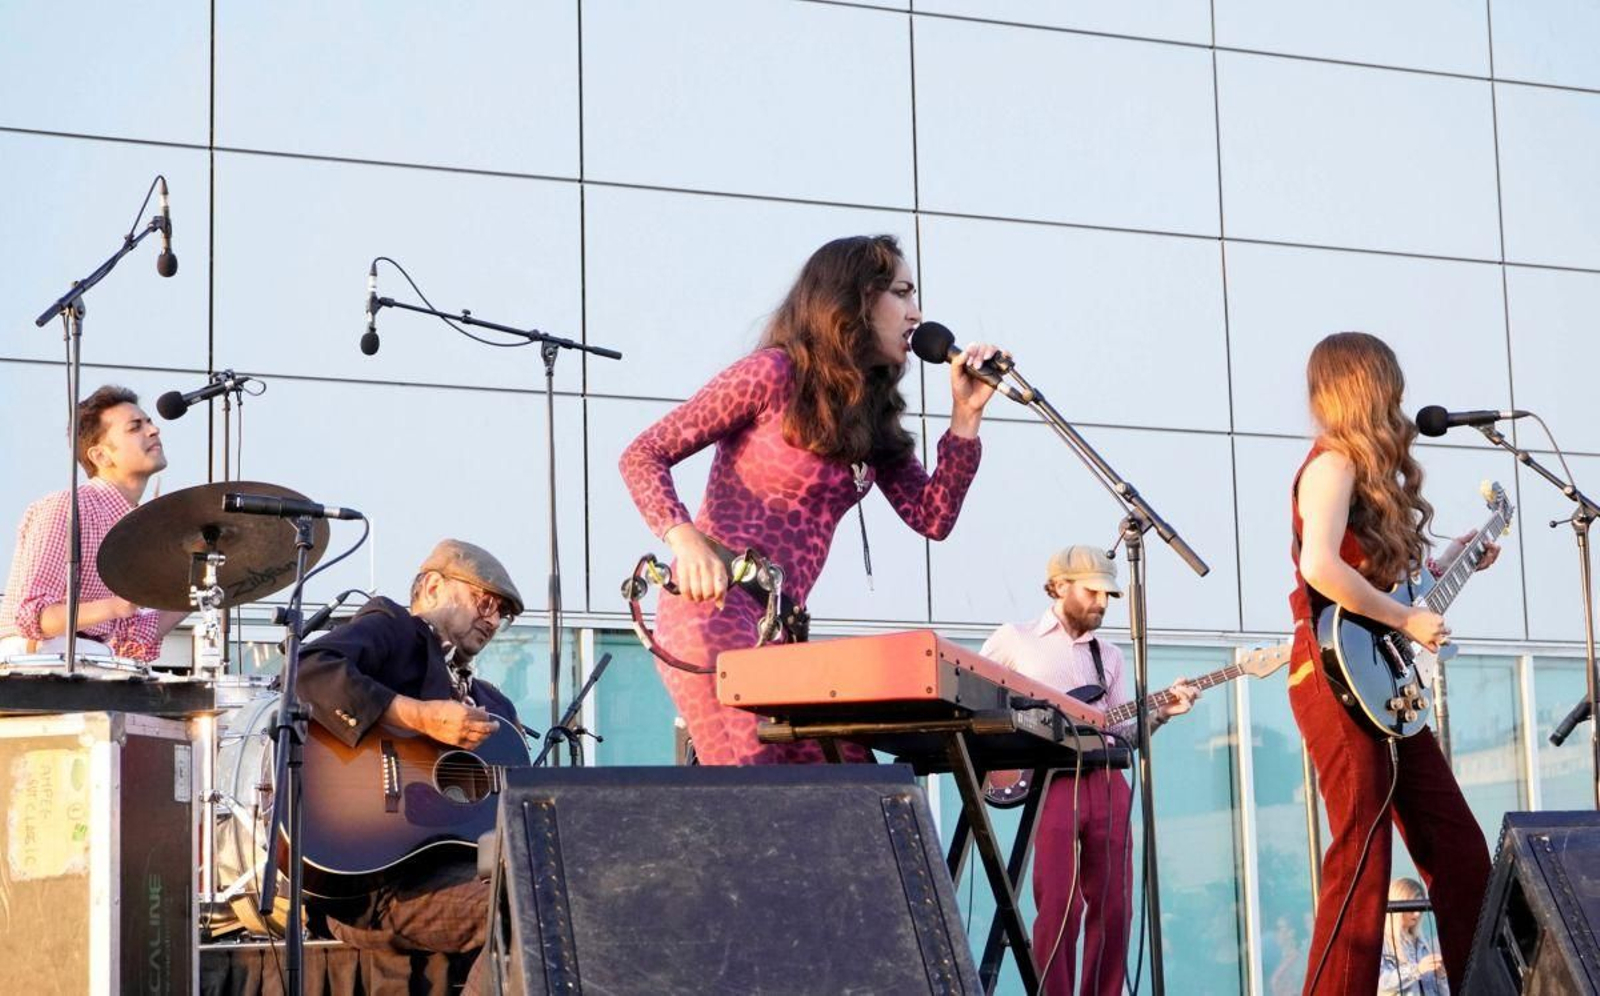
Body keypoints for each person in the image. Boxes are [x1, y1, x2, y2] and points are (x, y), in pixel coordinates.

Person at [619, 234, 1001, 766]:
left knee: (856, 782)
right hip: (714, 611)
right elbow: (643, 453)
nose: (917, 313)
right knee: (765, 796)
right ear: (855, 300)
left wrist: (966, 417)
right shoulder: (772, 374)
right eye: (902, 292)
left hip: (781, 633)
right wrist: (684, 540)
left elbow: (932, 516)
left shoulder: (869, 412)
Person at [1288, 332, 1496, 995]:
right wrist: (1408, 619)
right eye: (1391, 387)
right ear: (1367, 388)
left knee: (1460, 852)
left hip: (1380, 680)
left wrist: (1444, 566)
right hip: (1333, 678)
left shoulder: (1362, 472)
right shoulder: (1331, 465)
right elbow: (1318, 566)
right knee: (1361, 860)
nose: (1400, 402)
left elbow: (1374, 585)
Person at [294, 538, 526, 992]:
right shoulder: (395, 628)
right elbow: (307, 671)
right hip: (372, 883)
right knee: (524, 903)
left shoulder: (495, 710)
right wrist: (417, 715)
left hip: (452, 877)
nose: (494, 619)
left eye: (504, 613)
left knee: (546, 893)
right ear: (433, 587)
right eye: (485, 600)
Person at [980, 544, 1199, 996]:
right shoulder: (1014, 639)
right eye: (1093, 592)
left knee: (1116, 905)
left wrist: (1161, 713)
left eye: (1108, 595)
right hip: (1053, 780)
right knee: (1060, 904)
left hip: (1106, 778)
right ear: (1059, 586)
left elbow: (1125, 732)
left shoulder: (1111, 655)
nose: (1102, 603)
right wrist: (1003, 755)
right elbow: (980, 704)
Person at [0, 385, 188, 661]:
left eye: (149, 422)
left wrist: (202, 585)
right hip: (36, 668)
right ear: (100, 455)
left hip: (94, 661)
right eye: (135, 427)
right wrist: (114, 606)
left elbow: (131, 641)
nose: (153, 430)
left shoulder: (134, 525)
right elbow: (32, 616)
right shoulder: (67, 507)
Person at [1379, 878, 1448, 995]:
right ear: (1397, 906)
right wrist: (1417, 970)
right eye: (1411, 908)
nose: (1417, 914)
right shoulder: (1382, 943)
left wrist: (1441, 977)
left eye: (1420, 908)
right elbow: (1382, 983)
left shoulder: (1422, 943)